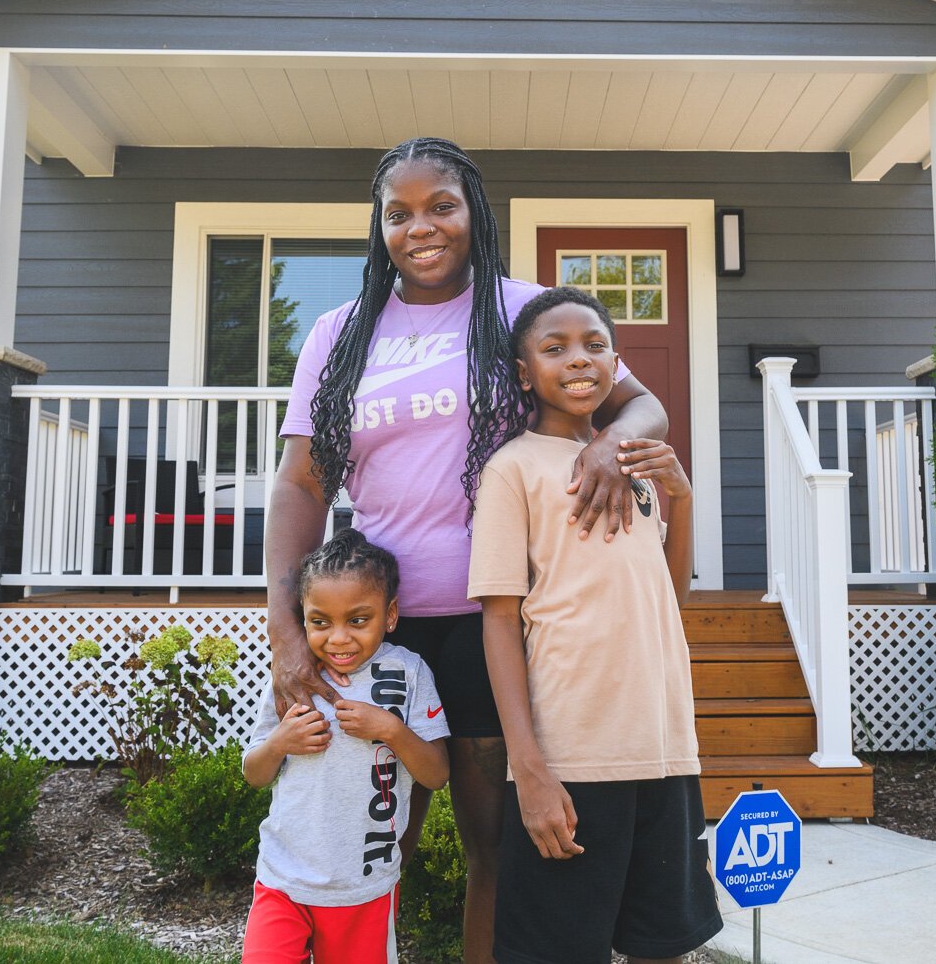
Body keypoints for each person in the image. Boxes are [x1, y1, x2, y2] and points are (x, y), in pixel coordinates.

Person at [268, 138, 669, 962]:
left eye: (441, 205)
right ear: (378, 226)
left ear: (474, 212)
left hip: (503, 625)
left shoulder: (524, 311)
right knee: (368, 841)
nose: (422, 228)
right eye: (399, 212)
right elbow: (302, 484)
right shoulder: (339, 335)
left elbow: (642, 405)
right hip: (377, 629)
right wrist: (282, 623)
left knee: (495, 845)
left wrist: (608, 445)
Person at [469, 287, 722, 964]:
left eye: (594, 344)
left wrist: (683, 497)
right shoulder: (513, 469)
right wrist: (530, 768)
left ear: (617, 362)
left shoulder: (634, 465)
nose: (577, 359)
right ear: (525, 373)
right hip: (572, 757)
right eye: (554, 349)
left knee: (661, 945)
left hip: (664, 750)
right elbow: (498, 621)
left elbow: (667, 599)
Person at [242, 528, 451, 964]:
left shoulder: (409, 673)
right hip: (284, 880)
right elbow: (254, 774)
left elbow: (436, 773)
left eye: (357, 620)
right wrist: (280, 742)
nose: (337, 639)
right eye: (320, 622)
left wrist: (391, 730)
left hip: (364, 886)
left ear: (389, 615)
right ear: (303, 616)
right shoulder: (295, 677)